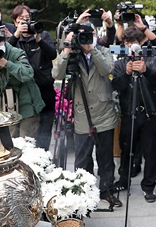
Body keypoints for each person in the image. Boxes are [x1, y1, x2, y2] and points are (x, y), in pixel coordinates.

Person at [52, 22, 122, 207]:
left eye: (88, 35)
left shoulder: (102, 50)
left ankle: (107, 190)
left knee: (106, 156)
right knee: (82, 157)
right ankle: (85, 190)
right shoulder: (72, 54)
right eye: (81, 35)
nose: (85, 39)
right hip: (82, 113)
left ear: (95, 35)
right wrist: (66, 49)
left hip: (104, 112)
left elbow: (107, 69)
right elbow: (56, 74)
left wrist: (92, 50)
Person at [112, 27, 156, 203]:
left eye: (133, 43)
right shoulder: (120, 62)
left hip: (150, 113)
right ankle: (123, 179)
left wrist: (145, 70)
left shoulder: (151, 58)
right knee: (126, 148)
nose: (130, 47)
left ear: (141, 42)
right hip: (128, 113)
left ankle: (149, 186)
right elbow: (116, 87)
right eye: (126, 43)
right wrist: (127, 73)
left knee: (151, 151)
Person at [8, 5, 57, 150]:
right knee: (25, 131)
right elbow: (4, 55)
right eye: (21, 20)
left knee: (45, 128)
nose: (25, 23)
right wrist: (16, 35)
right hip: (24, 92)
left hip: (44, 88)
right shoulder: (13, 39)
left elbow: (52, 55)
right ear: (15, 23)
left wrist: (39, 40)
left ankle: (43, 159)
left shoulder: (43, 35)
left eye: (27, 19)